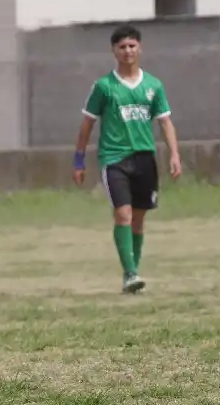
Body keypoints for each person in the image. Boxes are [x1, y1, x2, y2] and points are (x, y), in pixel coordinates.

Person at [73, 23, 181, 294]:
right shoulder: (104, 86)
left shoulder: (153, 85)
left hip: (144, 158)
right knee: (123, 214)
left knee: (139, 219)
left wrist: (174, 155)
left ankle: (132, 271)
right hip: (114, 159)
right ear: (114, 50)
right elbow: (87, 125)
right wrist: (78, 160)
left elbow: (165, 122)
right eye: (122, 47)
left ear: (139, 48)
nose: (128, 51)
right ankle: (130, 274)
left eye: (132, 45)